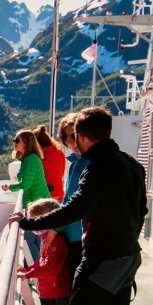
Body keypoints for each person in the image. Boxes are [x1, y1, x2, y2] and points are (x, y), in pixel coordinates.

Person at [7, 107, 147, 305]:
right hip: (127, 257)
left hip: (102, 259)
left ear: (81, 136)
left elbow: (75, 207)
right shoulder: (131, 164)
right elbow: (142, 211)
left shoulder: (96, 167)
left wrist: (29, 223)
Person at [17, 198, 70, 305]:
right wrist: (27, 270)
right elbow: (42, 262)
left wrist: (27, 274)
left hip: (56, 293)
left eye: (35, 222)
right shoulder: (46, 238)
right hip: (48, 291)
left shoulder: (56, 241)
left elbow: (50, 267)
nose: (33, 227)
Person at [1, 129, 52, 260]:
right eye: (14, 140)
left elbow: (26, 185)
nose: (14, 142)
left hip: (37, 207)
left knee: (29, 240)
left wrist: (9, 187)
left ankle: (36, 267)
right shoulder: (28, 159)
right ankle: (40, 266)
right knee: (36, 240)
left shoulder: (31, 160)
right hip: (37, 205)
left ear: (26, 142)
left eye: (17, 140)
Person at [57, 113, 88, 275]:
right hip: (72, 234)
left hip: (81, 236)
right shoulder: (75, 164)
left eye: (76, 135)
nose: (74, 141)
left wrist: (54, 229)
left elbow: (72, 202)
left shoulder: (88, 164)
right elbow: (67, 198)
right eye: (69, 137)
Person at [35, 124, 66, 202]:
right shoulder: (60, 153)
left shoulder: (38, 159)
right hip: (60, 195)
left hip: (45, 197)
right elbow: (61, 174)